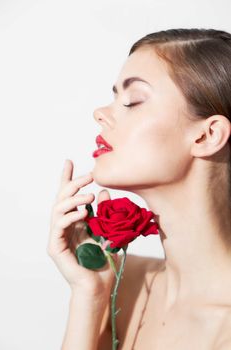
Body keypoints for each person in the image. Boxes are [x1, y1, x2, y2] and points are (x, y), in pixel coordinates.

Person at [47, 28, 231, 349]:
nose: (100, 114)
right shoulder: (120, 283)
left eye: (133, 101)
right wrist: (89, 298)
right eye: (115, 96)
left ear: (206, 136)